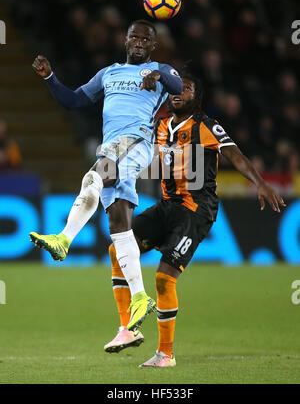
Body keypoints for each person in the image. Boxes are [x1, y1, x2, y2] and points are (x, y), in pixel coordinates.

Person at [104, 74, 286, 367]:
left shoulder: (206, 125)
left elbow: (235, 155)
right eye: (176, 88)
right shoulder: (160, 125)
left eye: (186, 88)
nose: (179, 92)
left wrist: (260, 183)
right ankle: (126, 329)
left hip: (196, 210)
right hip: (167, 206)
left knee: (164, 278)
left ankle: (165, 354)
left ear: (196, 97)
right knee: (117, 250)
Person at [29, 19, 183, 332]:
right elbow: (73, 100)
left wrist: (157, 73)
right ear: (125, 41)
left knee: (93, 178)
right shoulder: (108, 73)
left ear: (153, 45)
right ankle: (140, 296)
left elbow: (178, 85)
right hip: (113, 145)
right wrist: (50, 78)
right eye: (134, 37)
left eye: (145, 39)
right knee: (118, 224)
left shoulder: (162, 70)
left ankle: (64, 238)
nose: (139, 43)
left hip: (136, 141)